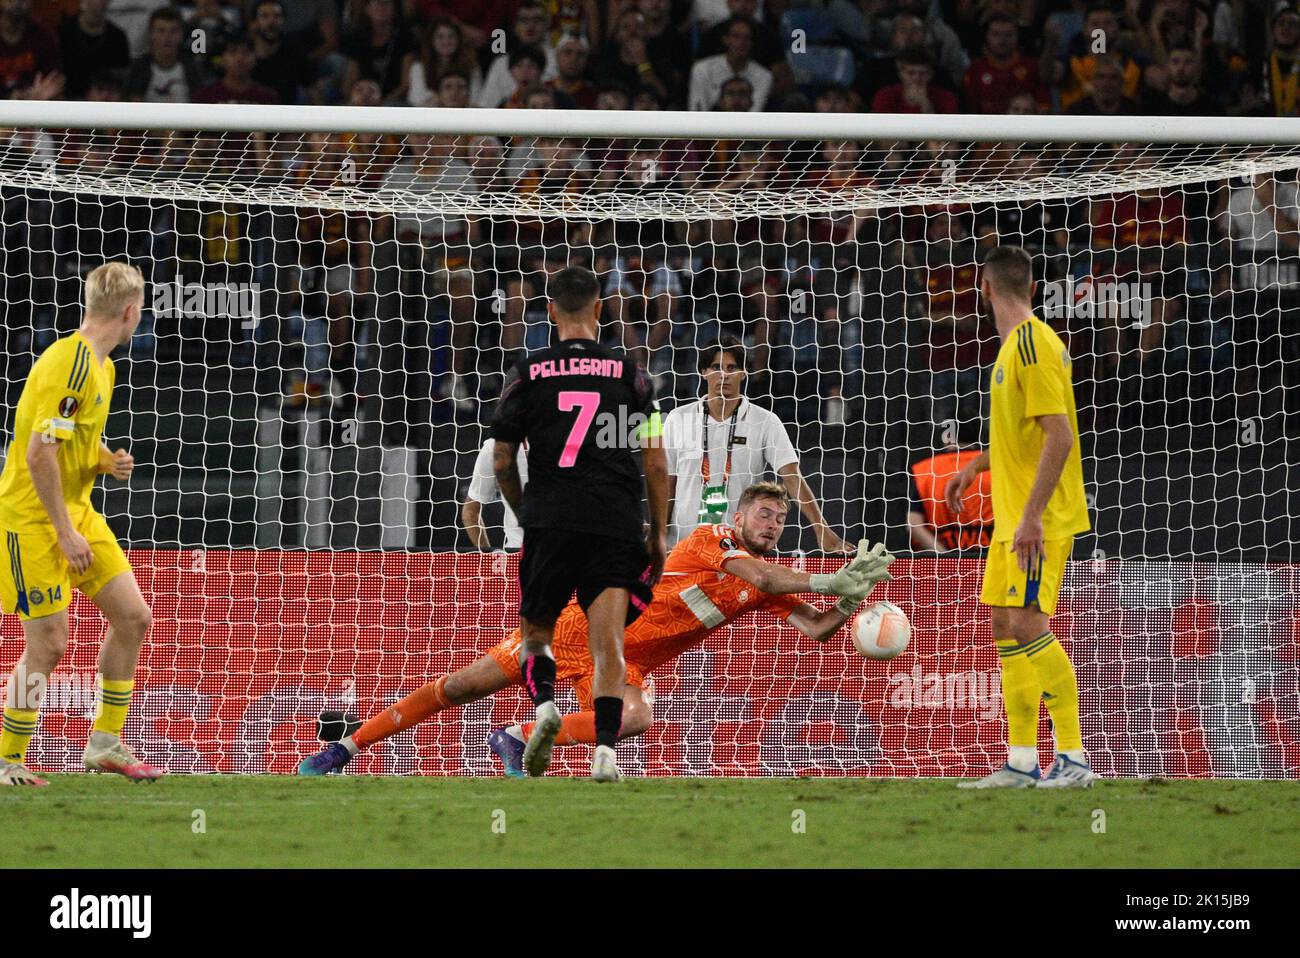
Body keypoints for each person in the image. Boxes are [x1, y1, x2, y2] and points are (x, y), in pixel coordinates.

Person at [297, 483, 894, 777]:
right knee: (460, 687)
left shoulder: (764, 585)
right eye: (764, 512)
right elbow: (767, 573)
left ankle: (521, 735)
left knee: (636, 717)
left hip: (622, 665)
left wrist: (854, 597)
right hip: (581, 629)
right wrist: (829, 580)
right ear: (739, 515)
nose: (773, 522)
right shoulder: (714, 539)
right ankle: (345, 747)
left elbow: (817, 628)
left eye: (782, 518)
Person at [497, 266, 669, 782]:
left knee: (537, 636)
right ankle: (606, 754)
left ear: (549, 311)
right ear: (599, 310)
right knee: (608, 645)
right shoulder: (632, 375)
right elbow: (656, 460)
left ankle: (545, 707)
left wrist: (526, 510)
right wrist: (657, 533)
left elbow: (503, 460)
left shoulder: (527, 373)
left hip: (550, 518)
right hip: (614, 522)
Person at [0, 262, 162, 786]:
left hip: (76, 509)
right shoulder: (69, 366)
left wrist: (101, 461)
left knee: (133, 617)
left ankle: (104, 743)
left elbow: (67, 446)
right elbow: (37, 456)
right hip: (32, 518)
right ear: (131, 311)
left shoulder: (103, 367)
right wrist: (65, 533)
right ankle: (6, 758)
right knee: (47, 643)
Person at [945, 245, 1094, 789]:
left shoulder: (1033, 344)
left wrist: (1031, 516)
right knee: (1005, 624)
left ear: (983, 289)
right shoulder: (1011, 350)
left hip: (1039, 519)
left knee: (1030, 621)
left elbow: (1061, 433)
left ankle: (1074, 757)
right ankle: (1023, 760)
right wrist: (973, 468)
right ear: (1030, 287)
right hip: (1012, 519)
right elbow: (1022, 433)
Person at [663, 338, 852, 554]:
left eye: (731, 367)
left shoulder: (765, 421)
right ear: (703, 371)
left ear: (744, 372)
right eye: (716, 367)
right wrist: (658, 532)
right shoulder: (678, 419)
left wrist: (821, 529)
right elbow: (667, 482)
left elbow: (792, 477)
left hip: (738, 549)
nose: (724, 374)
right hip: (683, 546)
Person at [908, 427, 993, 553]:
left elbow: (913, 524)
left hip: (943, 561)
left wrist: (944, 557)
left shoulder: (925, 469)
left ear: (946, 437)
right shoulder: (994, 466)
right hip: (992, 558)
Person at [462, 439, 527, 550]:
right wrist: (488, 560)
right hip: (518, 556)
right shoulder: (495, 447)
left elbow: (469, 513)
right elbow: (470, 512)